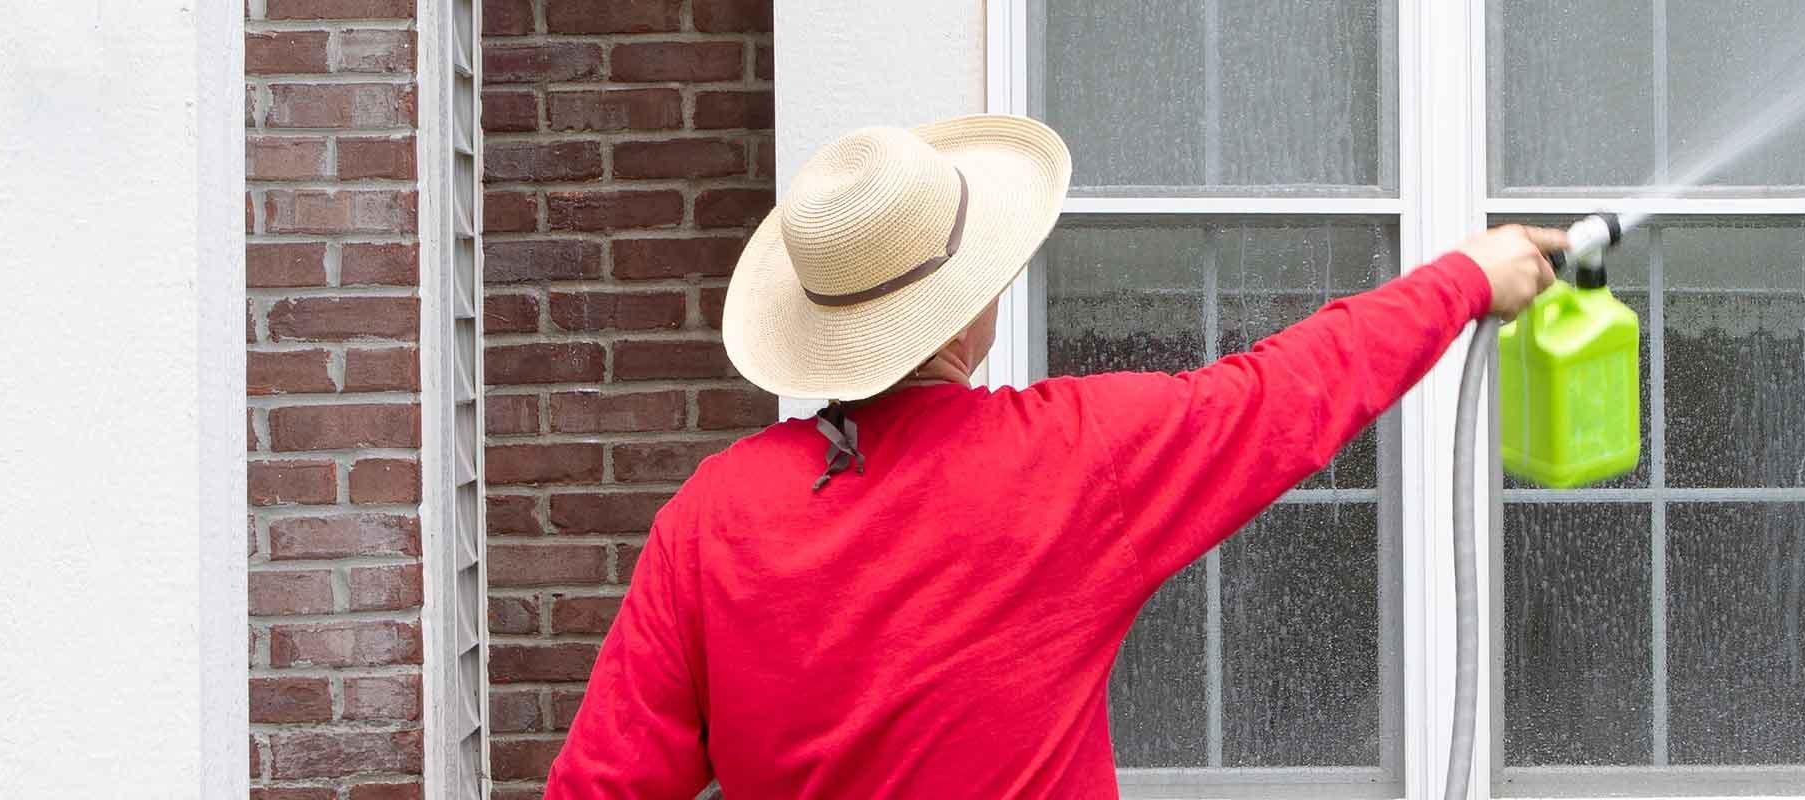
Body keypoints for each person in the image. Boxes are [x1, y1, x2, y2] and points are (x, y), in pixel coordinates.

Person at [545, 114, 1565, 798]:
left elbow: (602, 783)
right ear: (973, 308)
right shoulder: (1073, 462)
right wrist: (1466, 276)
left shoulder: (711, 514)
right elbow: (1291, 389)